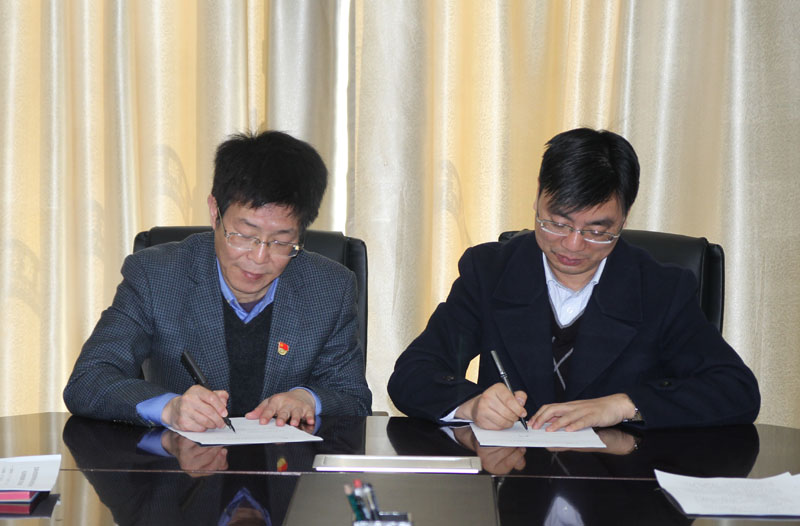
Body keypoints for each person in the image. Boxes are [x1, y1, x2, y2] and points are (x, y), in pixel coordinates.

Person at [388, 127, 759, 431]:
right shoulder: (489, 272)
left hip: (621, 485)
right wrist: (470, 404)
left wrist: (625, 405)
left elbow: (735, 390)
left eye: (597, 231)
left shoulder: (660, 289)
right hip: (514, 484)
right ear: (538, 195)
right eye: (557, 223)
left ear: (625, 217)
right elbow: (413, 374)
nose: (572, 244)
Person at [64, 130, 371, 431]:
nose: (259, 257)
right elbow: (89, 380)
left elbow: (354, 398)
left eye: (281, 241)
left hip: (286, 463)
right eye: (245, 235)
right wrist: (169, 408)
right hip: (181, 462)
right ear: (215, 213)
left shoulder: (330, 287)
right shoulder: (155, 276)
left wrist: (309, 399)